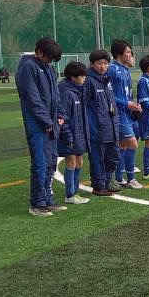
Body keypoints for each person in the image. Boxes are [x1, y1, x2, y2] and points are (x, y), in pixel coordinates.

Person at [16, 38, 64, 216]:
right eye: (48, 57)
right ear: (38, 52)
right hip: (38, 125)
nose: (50, 61)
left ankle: (48, 200)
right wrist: (45, 121)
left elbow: (56, 96)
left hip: (51, 123)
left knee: (51, 162)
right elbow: (32, 98)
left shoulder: (49, 68)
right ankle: (37, 204)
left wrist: (60, 114)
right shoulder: (28, 67)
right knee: (40, 163)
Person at [85, 49, 122, 196]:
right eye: (99, 63)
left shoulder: (106, 79)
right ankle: (98, 186)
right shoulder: (89, 81)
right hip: (97, 129)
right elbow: (85, 106)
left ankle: (106, 182)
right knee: (98, 159)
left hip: (111, 127)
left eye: (105, 63)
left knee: (114, 156)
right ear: (92, 64)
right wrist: (91, 126)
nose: (103, 66)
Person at [108, 40, 144, 188]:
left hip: (127, 113)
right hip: (118, 114)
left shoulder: (125, 70)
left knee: (122, 145)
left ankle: (118, 178)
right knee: (132, 143)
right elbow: (108, 94)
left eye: (130, 52)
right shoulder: (112, 69)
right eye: (127, 52)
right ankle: (131, 179)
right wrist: (126, 104)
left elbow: (125, 94)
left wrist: (133, 104)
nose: (130, 55)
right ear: (119, 54)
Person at [56, 61, 91, 205]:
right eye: (82, 77)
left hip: (78, 134)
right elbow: (62, 117)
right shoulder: (66, 92)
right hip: (69, 135)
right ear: (73, 77)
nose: (84, 79)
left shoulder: (78, 90)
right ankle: (70, 195)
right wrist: (67, 136)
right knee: (71, 162)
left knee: (79, 161)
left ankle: (75, 192)